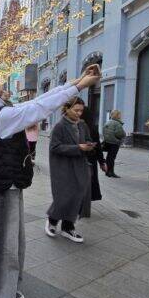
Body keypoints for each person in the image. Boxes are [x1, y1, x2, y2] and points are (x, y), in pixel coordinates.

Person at [0, 68, 100, 298]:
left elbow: (39, 101)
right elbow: (40, 107)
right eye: (1, 89)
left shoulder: (0, 112)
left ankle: (7, 287)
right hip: (3, 185)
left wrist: (77, 80)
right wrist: (79, 86)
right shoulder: (3, 116)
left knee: (13, 241)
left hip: (9, 182)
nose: (6, 90)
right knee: (2, 243)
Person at [46, 97, 93, 243]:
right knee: (64, 196)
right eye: (76, 110)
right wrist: (78, 147)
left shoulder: (82, 124)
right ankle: (52, 221)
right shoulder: (60, 126)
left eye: (81, 110)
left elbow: (87, 139)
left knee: (77, 195)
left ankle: (68, 227)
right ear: (67, 109)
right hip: (63, 167)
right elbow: (54, 147)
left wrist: (89, 145)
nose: (79, 113)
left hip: (79, 165)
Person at [82, 107, 106, 209]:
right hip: (90, 159)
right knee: (88, 182)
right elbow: (98, 147)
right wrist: (102, 162)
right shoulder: (93, 127)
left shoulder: (76, 126)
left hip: (80, 159)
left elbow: (98, 146)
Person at [102, 110, 126, 178]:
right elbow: (120, 133)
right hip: (114, 143)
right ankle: (111, 172)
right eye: (120, 114)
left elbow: (104, 131)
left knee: (109, 157)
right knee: (112, 158)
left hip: (107, 142)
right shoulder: (117, 123)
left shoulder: (108, 122)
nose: (121, 116)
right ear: (117, 115)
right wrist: (123, 135)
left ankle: (107, 171)